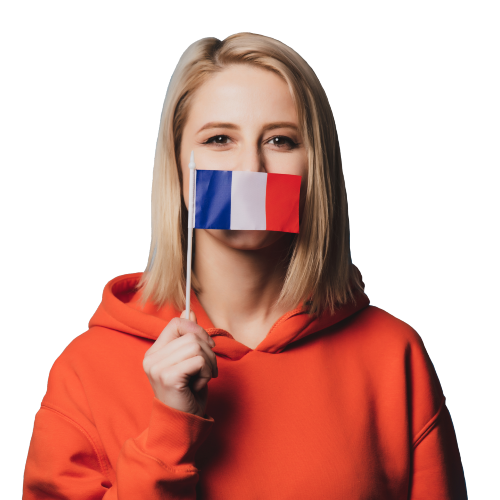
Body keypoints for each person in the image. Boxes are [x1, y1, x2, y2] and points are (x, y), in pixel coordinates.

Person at [23, 33, 467, 499]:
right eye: (219, 139)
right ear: (178, 166)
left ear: (315, 168)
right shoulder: (85, 369)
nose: (251, 168)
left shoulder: (394, 355)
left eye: (281, 139)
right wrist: (171, 429)